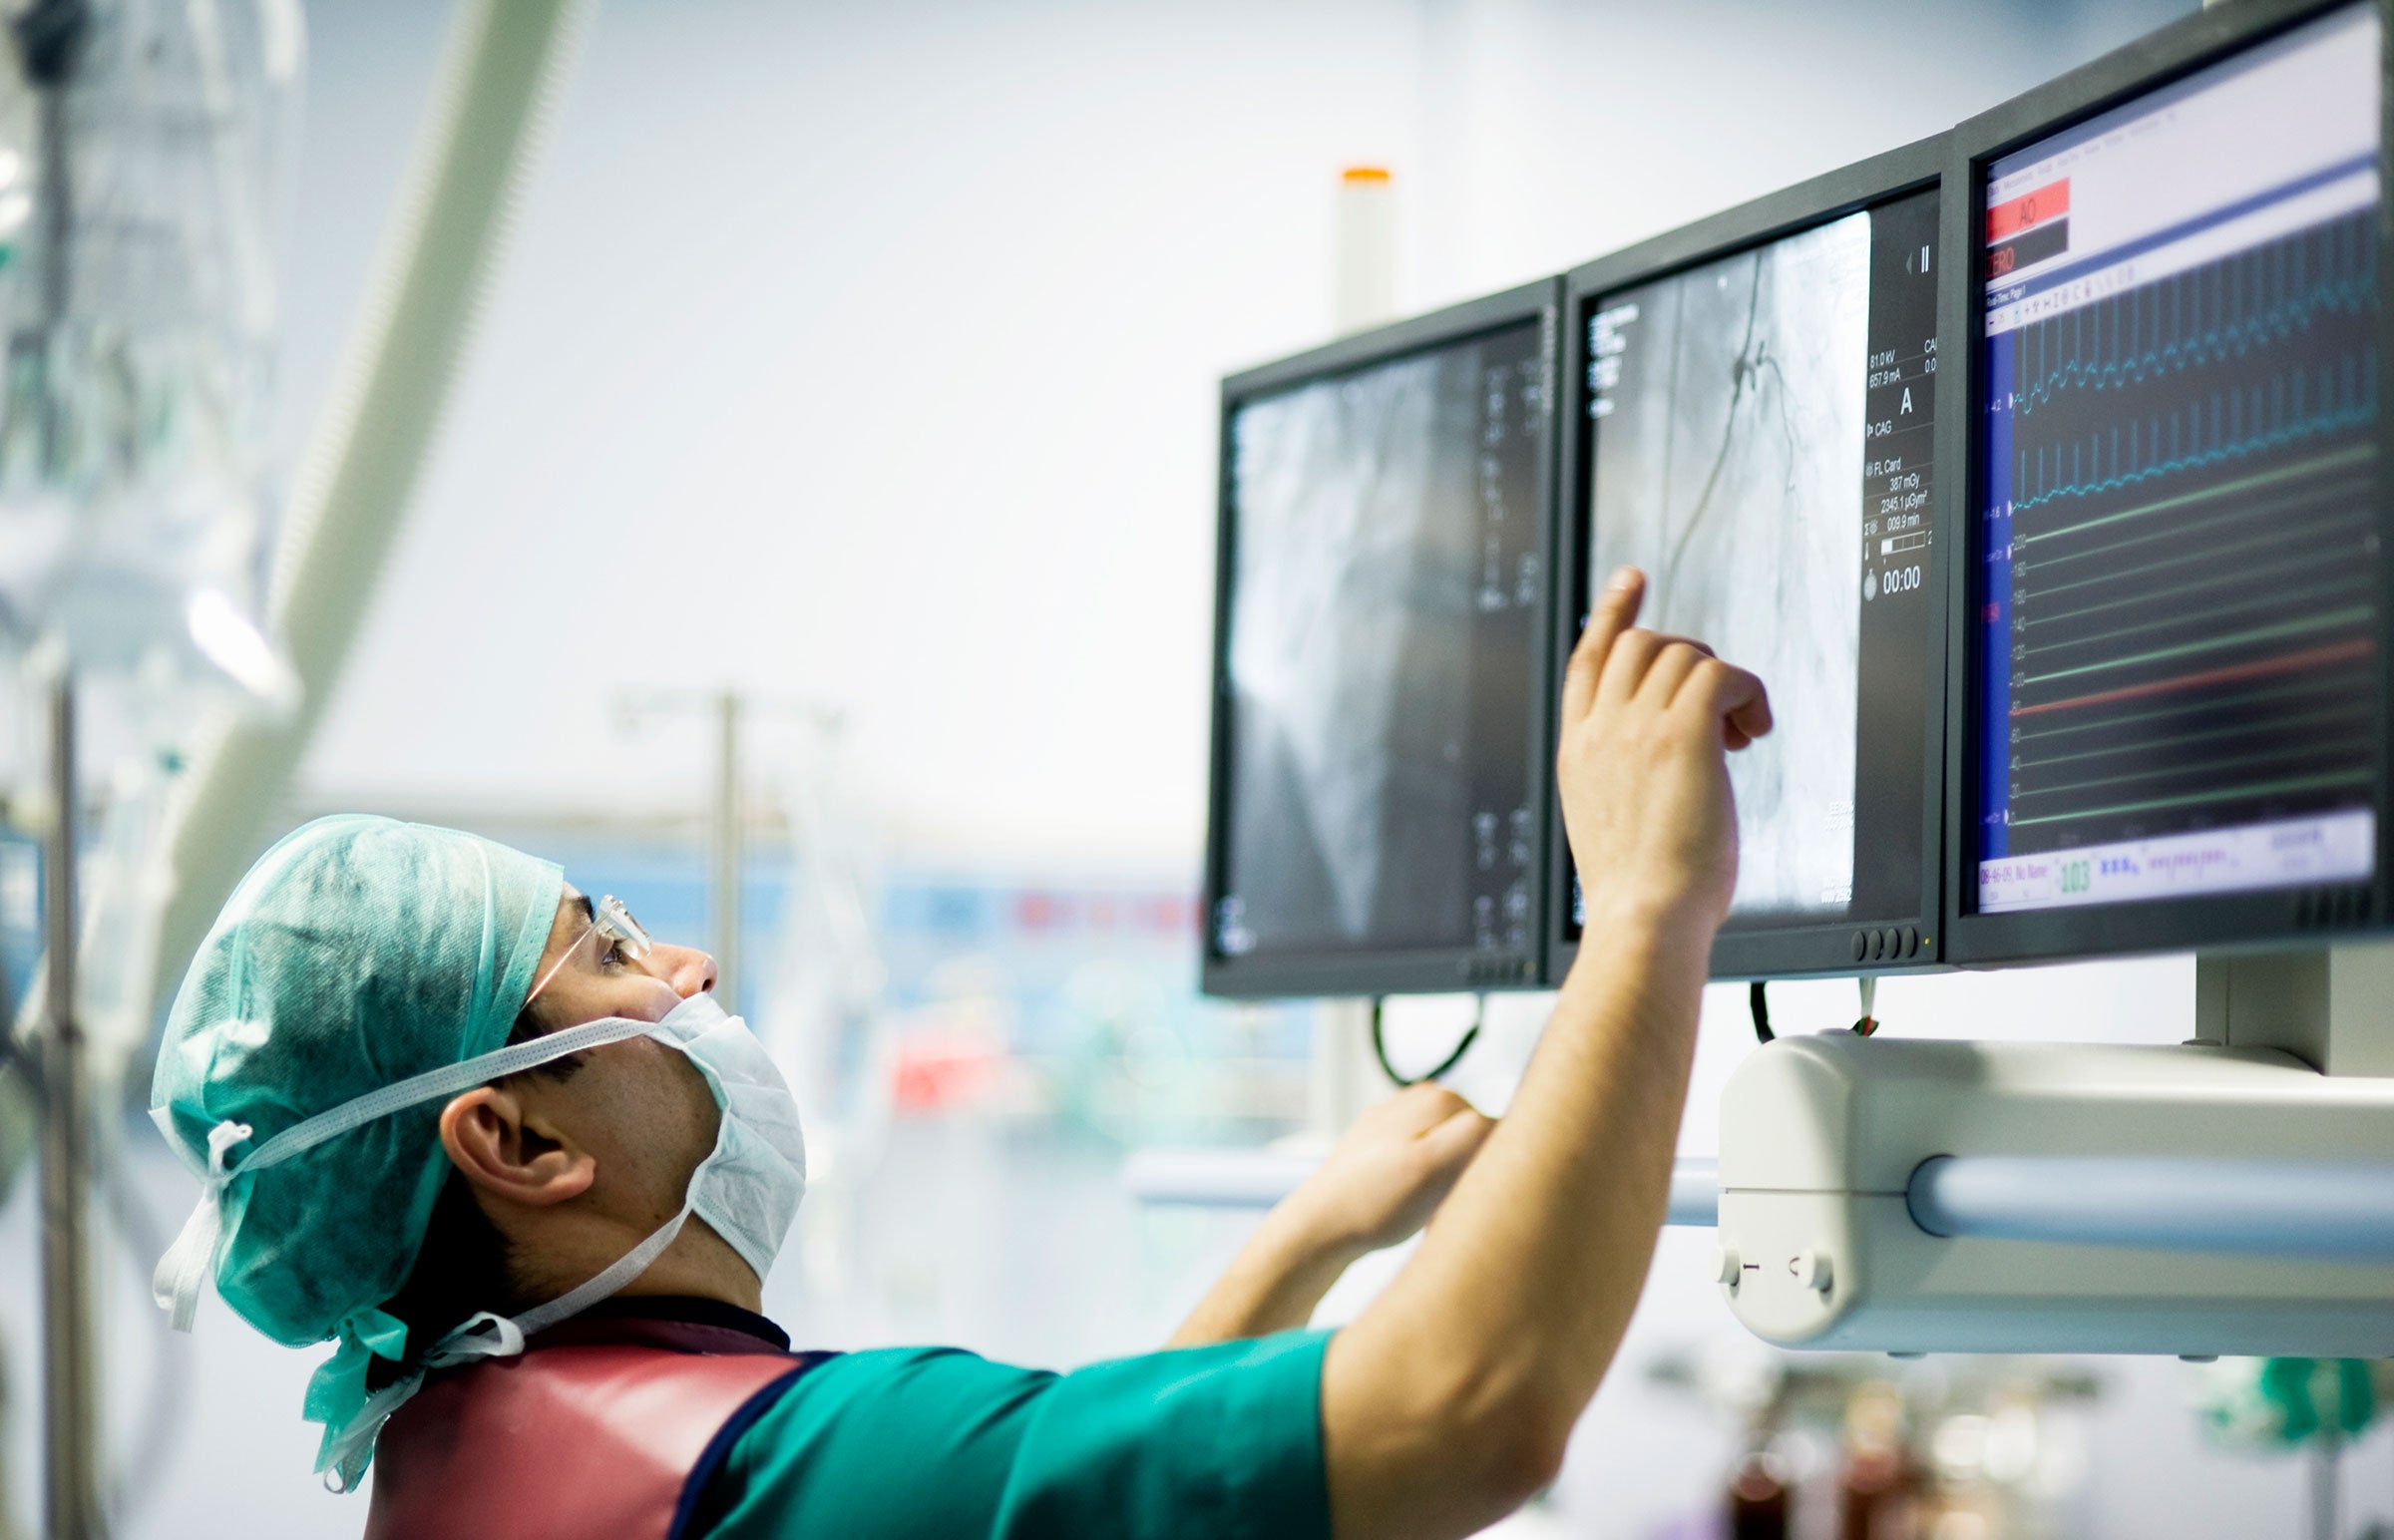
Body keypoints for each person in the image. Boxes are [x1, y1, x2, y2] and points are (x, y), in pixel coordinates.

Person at [149, 567, 1769, 1540]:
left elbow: (1062, 1494)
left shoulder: (472, 1439)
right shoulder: (774, 1473)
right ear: (511, 1143)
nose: (695, 965)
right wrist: (1642, 908)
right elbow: (1471, 1412)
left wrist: (1311, 1233)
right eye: (617, 956)